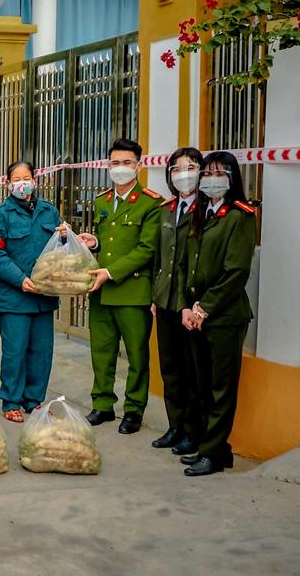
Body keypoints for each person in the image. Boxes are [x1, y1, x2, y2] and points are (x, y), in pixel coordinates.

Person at [178, 151, 257, 477]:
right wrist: (186, 306)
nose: (210, 178)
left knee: (220, 388)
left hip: (223, 317)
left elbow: (235, 271)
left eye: (217, 173)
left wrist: (204, 308)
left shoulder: (240, 215)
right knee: (201, 383)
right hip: (195, 315)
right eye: (206, 172)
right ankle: (217, 449)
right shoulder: (201, 212)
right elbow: (186, 264)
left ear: (231, 177)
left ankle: (211, 453)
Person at [79, 138, 163, 434]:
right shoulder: (102, 200)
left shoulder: (151, 203)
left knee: (137, 355)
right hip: (101, 290)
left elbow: (146, 248)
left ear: (138, 166)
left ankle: (133, 410)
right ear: (107, 165)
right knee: (101, 352)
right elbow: (112, 242)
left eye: (127, 163)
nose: (120, 168)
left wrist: (111, 272)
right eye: (115, 163)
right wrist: (96, 242)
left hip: (132, 290)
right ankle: (102, 404)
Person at [0, 161, 62, 422]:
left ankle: (34, 400)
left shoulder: (49, 212)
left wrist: (66, 236)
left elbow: (60, 248)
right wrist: (20, 279)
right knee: (15, 351)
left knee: (41, 352)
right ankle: (11, 401)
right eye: (16, 179)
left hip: (44, 297)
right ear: (8, 184)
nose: (21, 183)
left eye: (26, 178)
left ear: (35, 180)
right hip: (14, 298)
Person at [151, 147, 205, 453]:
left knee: (191, 370)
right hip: (167, 300)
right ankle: (175, 426)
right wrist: (156, 297)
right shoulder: (167, 210)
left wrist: (190, 303)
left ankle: (191, 431)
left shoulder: (205, 210)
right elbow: (161, 257)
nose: (183, 174)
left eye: (190, 167)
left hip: (191, 305)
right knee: (170, 368)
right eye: (176, 169)